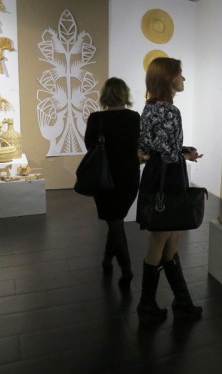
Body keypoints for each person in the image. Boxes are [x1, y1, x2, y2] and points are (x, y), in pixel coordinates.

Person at [136, 57, 203, 322]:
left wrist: (182, 151)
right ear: (168, 78)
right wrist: (183, 154)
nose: (183, 78)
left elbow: (149, 146)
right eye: (180, 73)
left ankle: (182, 301)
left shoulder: (149, 107)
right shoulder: (170, 111)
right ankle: (147, 304)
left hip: (158, 174)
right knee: (161, 240)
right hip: (168, 177)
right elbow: (165, 150)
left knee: (170, 239)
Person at [84, 77, 140, 289]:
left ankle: (126, 271)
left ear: (105, 95)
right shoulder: (134, 117)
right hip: (129, 177)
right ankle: (107, 260)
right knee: (115, 220)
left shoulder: (96, 119)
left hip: (104, 177)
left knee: (114, 221)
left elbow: (90, 146)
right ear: (125, 94)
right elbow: (137, 145)